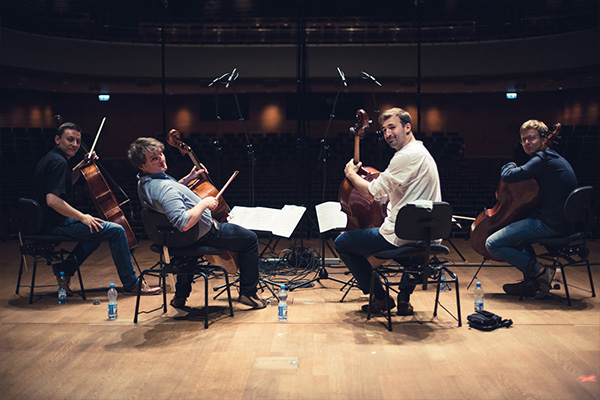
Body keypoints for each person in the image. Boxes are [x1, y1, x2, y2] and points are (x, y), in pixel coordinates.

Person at [127, 137, 267, 310]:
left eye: (161, 154)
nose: (161, 159)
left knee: (187, 255)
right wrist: (204, 204)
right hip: (198, 234)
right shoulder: (165, 190)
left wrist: (189, 178)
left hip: (174, 238)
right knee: (250, 239)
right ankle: (248, 292)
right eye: (154, 159)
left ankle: (180, 296)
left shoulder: (145, 182)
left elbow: (170, 196)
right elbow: (184, 223)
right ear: (141, 165)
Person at [32, 122, 161, 295]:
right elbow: (52, 200)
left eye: (78, 141)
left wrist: (82, 165)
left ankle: (65, 268)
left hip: (45, 221)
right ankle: (132, 284)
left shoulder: (53, 158)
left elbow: (66, 183)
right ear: (57, 139)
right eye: (70, 140)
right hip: (54, 222)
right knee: (116, 231)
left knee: (97, 227)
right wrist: (82, 217)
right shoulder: (58, 163)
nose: (75, 145)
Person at [334, 107, 442, 316]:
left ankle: (381, 298)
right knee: (409, 254)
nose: (387, 134)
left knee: (343, 243)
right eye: (383, 130)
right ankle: (403, 299)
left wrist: (352, 175)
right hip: (428, 235)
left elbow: (375, 191)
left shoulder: (406, 156)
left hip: (404, 234)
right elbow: (388, 193)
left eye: (392, 127)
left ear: (407, 127)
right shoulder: (422, 153)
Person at [485, 119, 578, 298]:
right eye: (523, 139)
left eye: (532, 138)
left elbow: (509, 176)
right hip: (563, 223)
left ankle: (540, 273)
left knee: (493, 243)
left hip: (549, 224)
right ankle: (532, 282)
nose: (527, 143)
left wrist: (510, 164)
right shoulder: (552, 157)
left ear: (544, 139)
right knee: (517, 234)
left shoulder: (542, 160)